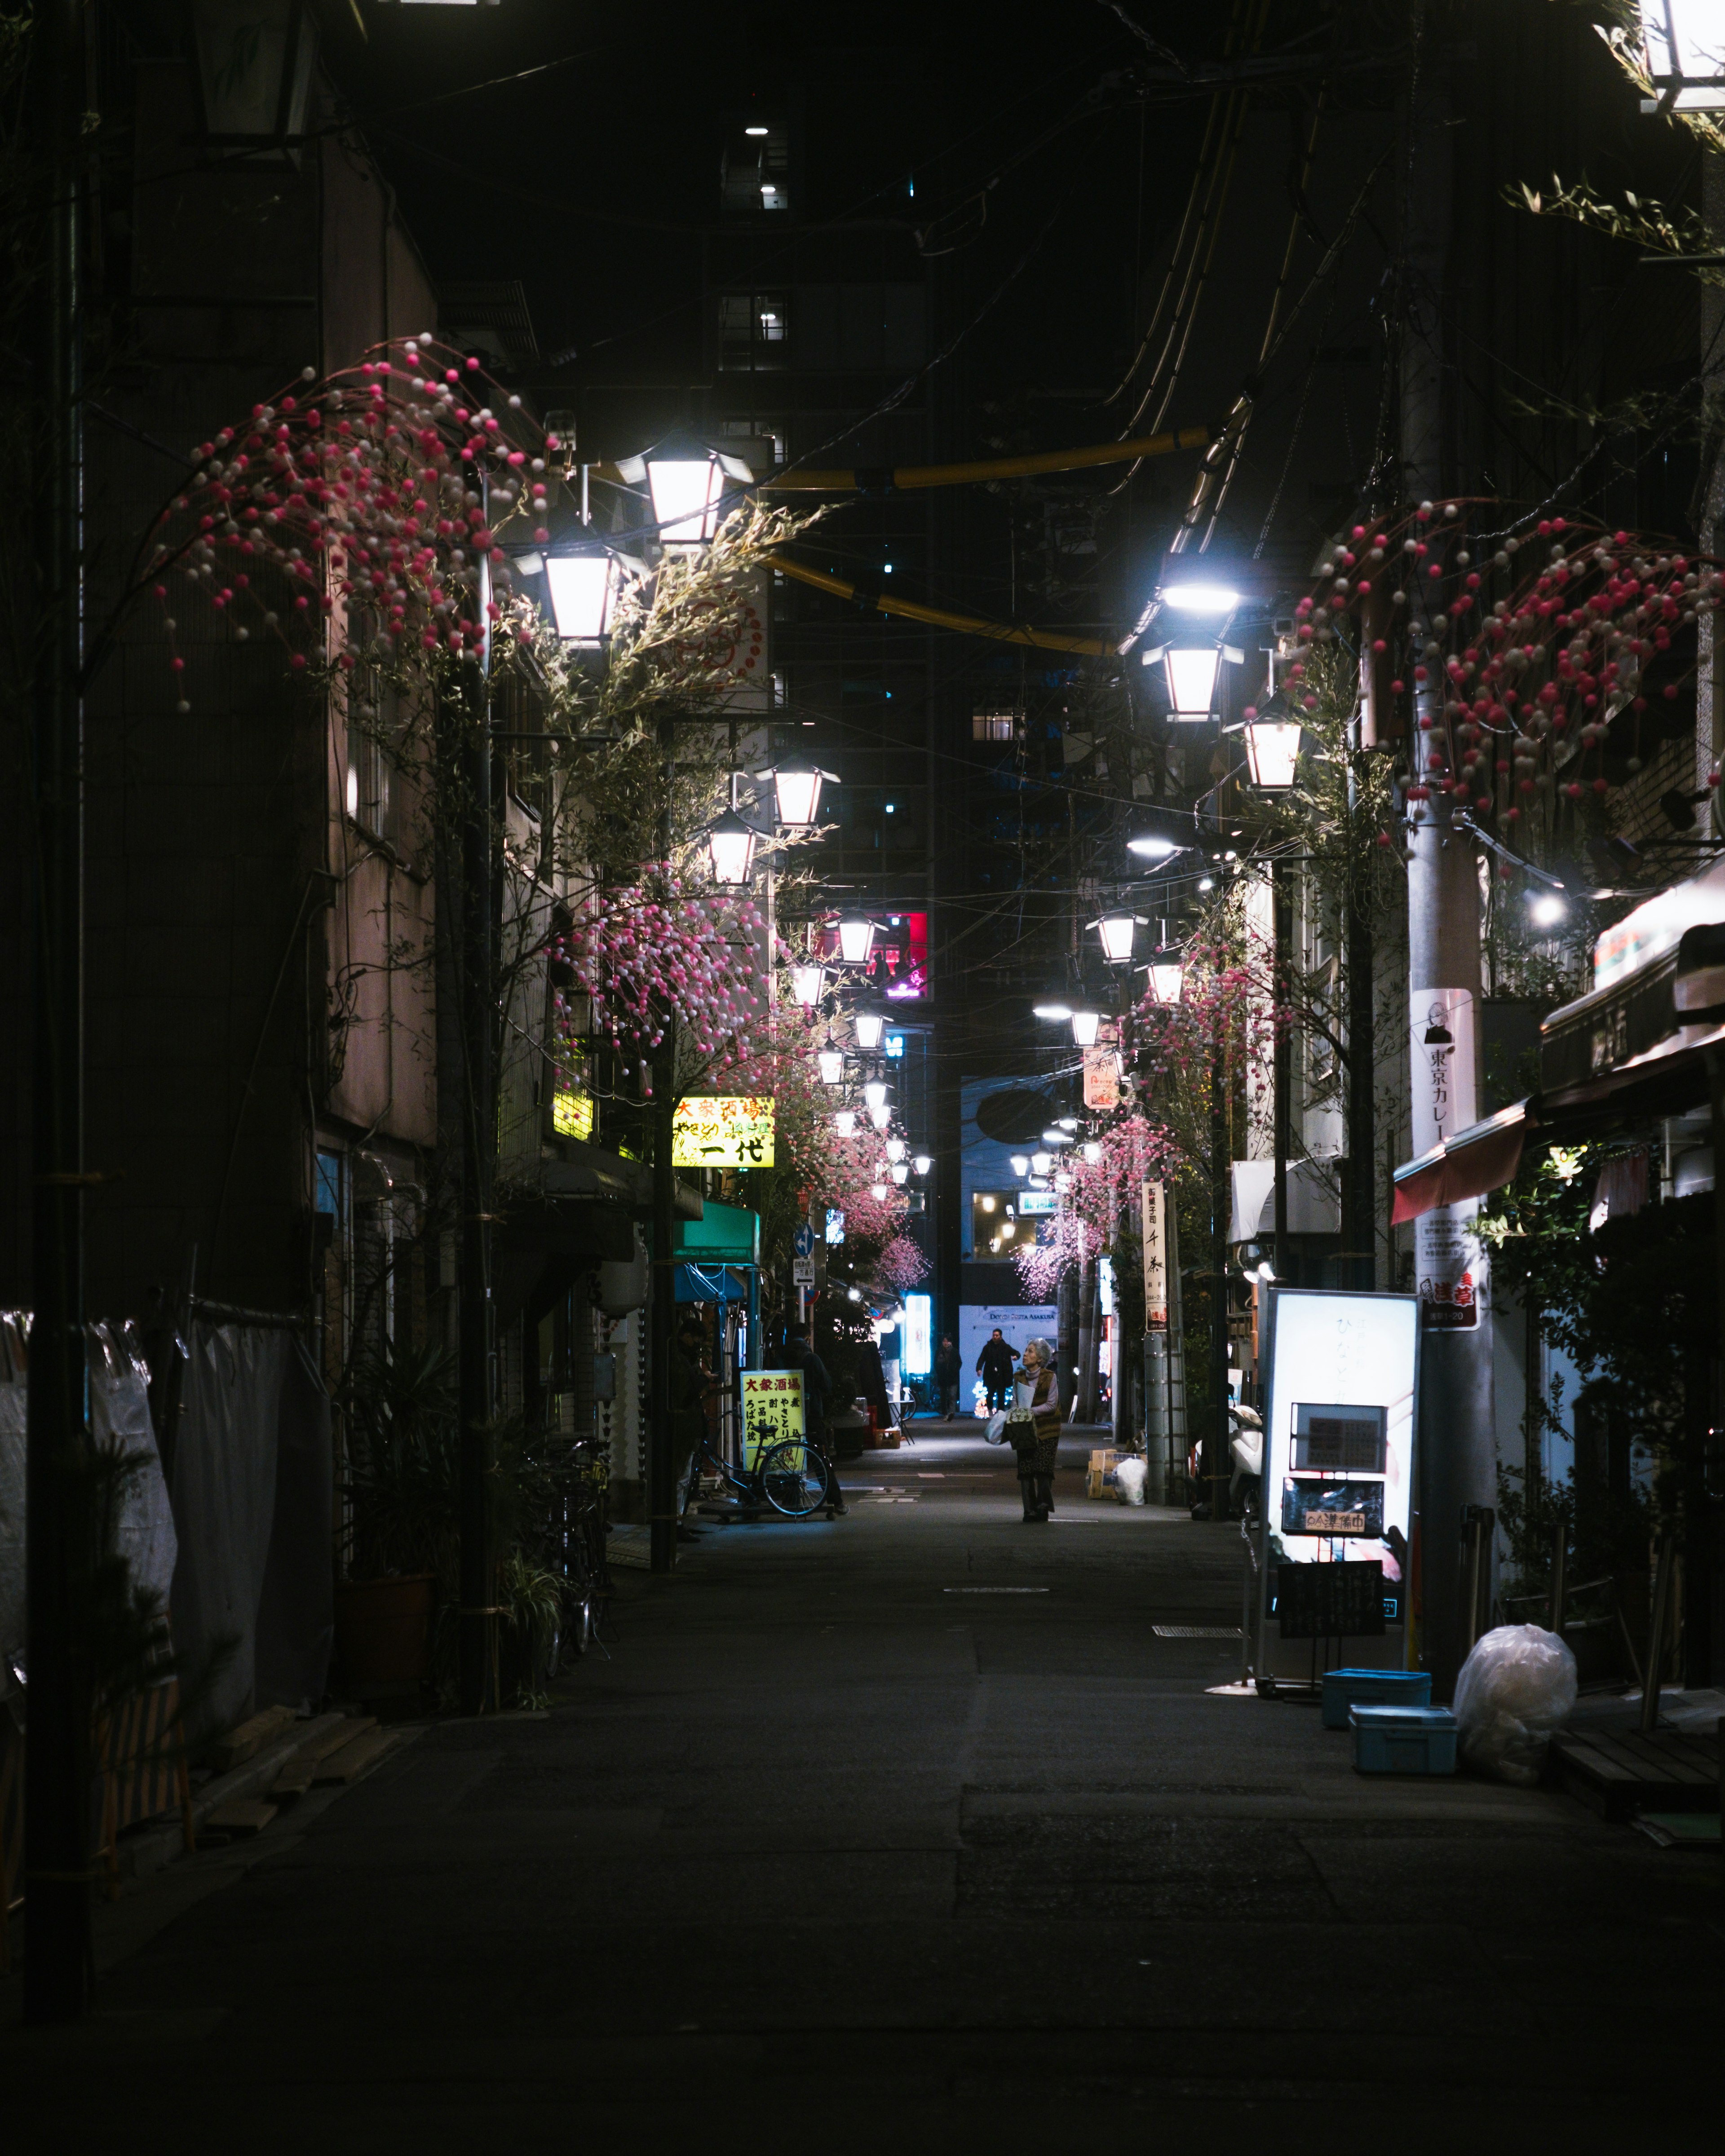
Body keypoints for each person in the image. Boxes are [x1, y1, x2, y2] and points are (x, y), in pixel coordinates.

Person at [782, 1321, 847, 1515]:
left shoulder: (779, 1356)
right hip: (811, 1415)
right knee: (820, 1458)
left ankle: (788, 1498)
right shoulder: (812, 1359)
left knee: (785, 1455)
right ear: (807, 1338)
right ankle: (836, 1502)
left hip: (784, 1415)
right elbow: (827, 1385)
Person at [1011, 1337, 1063, 1523]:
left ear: (1040, 1358)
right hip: (1024, 1430)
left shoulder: (1050, 1377)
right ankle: (1029, 1510)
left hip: (1047, 1430)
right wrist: (1017, 1413)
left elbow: (1051, 1405)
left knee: (1043, 1470)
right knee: (1025, 1471)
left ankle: (1043, 1507)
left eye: (1030, 1351)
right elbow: (1015, 1402)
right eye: (1026, 1351)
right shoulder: (1019, 1378)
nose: (1025, 1354)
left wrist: (1028, 1412)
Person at [976, 1326, 1016, 1412]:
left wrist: (1016, 1356)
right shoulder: (988, 1347)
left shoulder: (1006, 1347)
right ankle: (990, 1410)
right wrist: (979, 1369)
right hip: (991, 1376)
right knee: (990, 1395)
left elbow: (1016, 1353)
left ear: (1001, 1337)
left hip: (1002, 1376)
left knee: (1001, 1395)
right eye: (994, 1335)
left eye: (997, 1335)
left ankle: (1000, 1412)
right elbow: (982, 1358)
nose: (995, 1337)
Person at [933, 1333, 963, 1420]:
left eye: (947, 1341)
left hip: (953, 1377)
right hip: (942, 1377)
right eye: (944, 1341)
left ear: (951, 1342)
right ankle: (945, 1413)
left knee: (952, 1395)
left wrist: (955, 1371)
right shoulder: (939, 1351)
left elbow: (960, 1363)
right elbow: (935, 1363)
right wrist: (939, 1372)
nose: (946, 1343)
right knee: (943, 1396)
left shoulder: (955, 1351)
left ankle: (951, 1413)